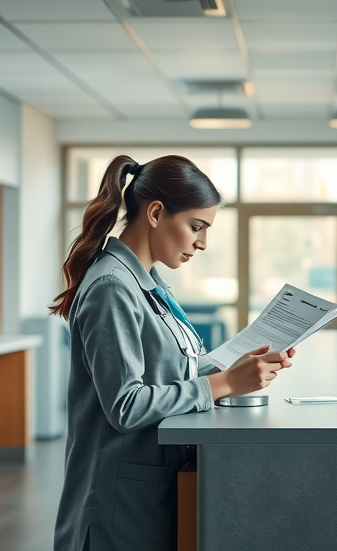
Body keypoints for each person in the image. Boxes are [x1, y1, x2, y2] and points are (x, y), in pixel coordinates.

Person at [50, 154, 294, 551]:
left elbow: (172, 370)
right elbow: (126, 405)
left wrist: (236, 365)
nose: (202, 243)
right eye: (196, 227)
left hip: (146, 489)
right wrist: (224, 383)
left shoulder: (148, 283)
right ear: (156, 213)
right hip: (115, 501)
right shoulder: (113, 287)